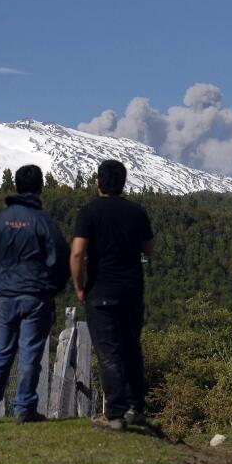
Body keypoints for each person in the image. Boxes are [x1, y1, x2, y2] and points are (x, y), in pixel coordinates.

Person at [0, 165, 70, 424]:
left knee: (1, 351)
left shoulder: (0, 219)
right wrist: (53, 288)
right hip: (35, 294)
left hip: (6, 294)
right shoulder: (42, 221)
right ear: (41, 187)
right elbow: (59, 258)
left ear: (15, 187)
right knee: (30, 351)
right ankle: (24, 408)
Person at [70, 159, 154, 431]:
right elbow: (149, 249)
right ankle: (136, 407)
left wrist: (79, 286)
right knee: (132, 348)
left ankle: (114, 413)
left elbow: (78, 253)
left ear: (98, 182)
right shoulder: (137, 212)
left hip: (101, 291)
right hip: (131, 291)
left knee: (109, 353)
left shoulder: (89, 213)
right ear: (123, 182)